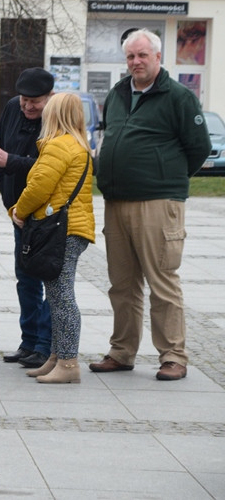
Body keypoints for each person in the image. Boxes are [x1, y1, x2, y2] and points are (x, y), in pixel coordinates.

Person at [90, 28, 211, 381]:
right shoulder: (116, 94)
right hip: (117, 200)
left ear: (158, 57)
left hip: (158, 201)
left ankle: (173, 355)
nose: (136, 62)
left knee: (162, 281)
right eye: (130, 56)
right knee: (121, 284)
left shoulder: (177, 97)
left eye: (142, 55)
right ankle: (121, 351)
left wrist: (167, 177)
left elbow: (198, 147)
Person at [10, 93, 95, 384]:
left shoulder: (58, 146)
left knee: (61, 298)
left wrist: (19, 211)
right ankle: (56, 358)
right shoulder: (77, 144)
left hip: (62, 230)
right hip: (71, 228)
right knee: (59, 295)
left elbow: (38, 187)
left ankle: (68, 362)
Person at [0, 68, 55, 369]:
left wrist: (11, 162)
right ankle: (28, 342)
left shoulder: (57, 116)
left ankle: (45, 345)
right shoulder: (13, 108)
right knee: (25, 279)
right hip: (19, 213)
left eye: (34, 101)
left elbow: (49, 165)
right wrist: (10, 201)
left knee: (50, 279)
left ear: (50, 97)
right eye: (24, 100)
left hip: (49, 215)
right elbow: (1, 150)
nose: (28, 107)